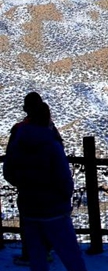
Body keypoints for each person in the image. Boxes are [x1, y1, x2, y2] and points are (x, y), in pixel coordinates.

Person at [4, 101, 87, 271]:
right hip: (54, 210)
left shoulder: (18, 142)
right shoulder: (51, 145)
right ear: (46, 118)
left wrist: (25, 187)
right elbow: (64, 179)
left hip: (29, 209)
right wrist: (63, 198)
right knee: (71, 257)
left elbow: (9, 172)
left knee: (37, 260)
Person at [6, 92, 62, 266]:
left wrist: (16, 180)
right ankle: (47, 251)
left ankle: (30, 255)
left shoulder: (19, 130)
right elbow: (60, 155)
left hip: (27, 186)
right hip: (50, 187)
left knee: (29, 223)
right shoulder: (50, 129)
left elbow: (10, 159)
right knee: (49, 220)